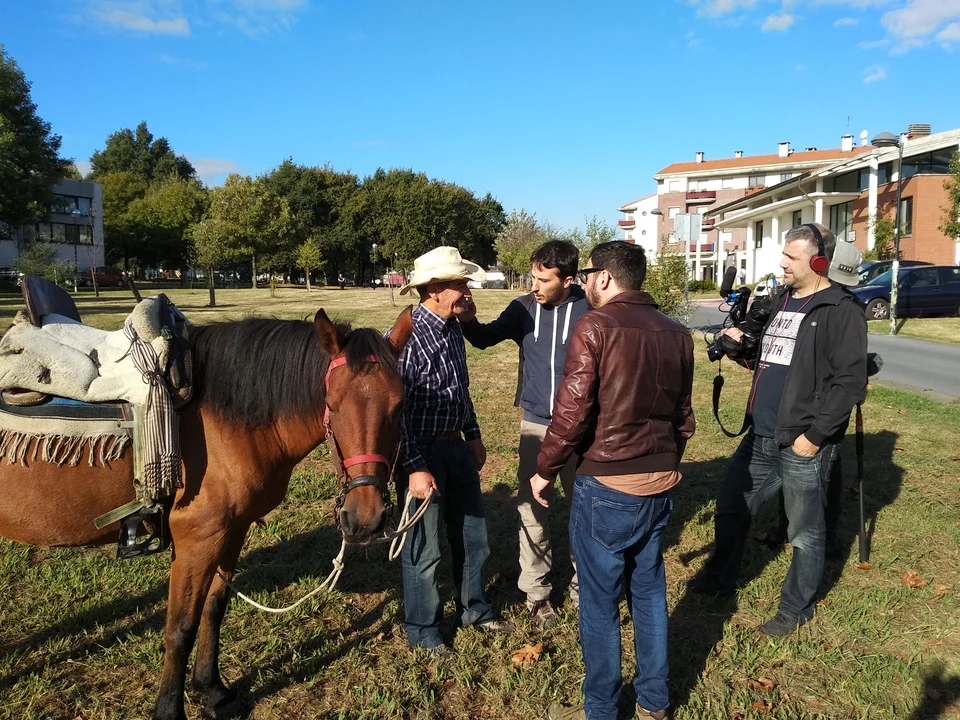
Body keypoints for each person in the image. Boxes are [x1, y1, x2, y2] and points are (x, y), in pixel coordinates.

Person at [532, 241, 695, 720]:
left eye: (587, 275)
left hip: (607, 484)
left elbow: (571, 413)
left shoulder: (595, 325)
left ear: (604, 277)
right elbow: (683, 418)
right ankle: (654, 703)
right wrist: (666, 460)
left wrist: (544, 470)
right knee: (649, 591)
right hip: (660, 480)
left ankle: (601, 710)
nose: (584, 283)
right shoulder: (677, 332)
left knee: (599, 603)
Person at [688, 224, 867, 637]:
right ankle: (719, 578)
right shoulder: (782, 300)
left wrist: (815, 437)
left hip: (803, 439)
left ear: (818, 262)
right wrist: (741, 349)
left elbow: (849, 384)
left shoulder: (841, 310)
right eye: (783, 254)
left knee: (805, 531)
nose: (781, 263)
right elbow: (771, 360)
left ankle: (795, 608)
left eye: (791, 257)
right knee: (731, 505)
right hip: (761, 433)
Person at [458, 239, 589, 628]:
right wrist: (468, 320)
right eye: (533, 277)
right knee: (532, 509)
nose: (535, 286)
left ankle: (586, 589)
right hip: (536, 425)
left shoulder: (591, 310)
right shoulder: (523, 308)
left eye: (543, 280)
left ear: (569, 280)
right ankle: (536, 593)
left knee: (585, 512)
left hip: (582, 429)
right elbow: (484, 339)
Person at [394, 246, 515, 658]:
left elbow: (458, 388)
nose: (467, 290)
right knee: (424, 548)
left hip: (457, 447)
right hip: (422, 453)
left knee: (474, 537)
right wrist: (413, 466)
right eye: (459, 284)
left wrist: (473, 434)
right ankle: (423, 629)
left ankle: (475, 609)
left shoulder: (451, 328)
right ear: (433, 290)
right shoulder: (407, 337)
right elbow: (396, 412)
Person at [765, 240, 865, 558]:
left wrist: (817, 433)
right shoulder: (791, 297)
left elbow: (848, 376)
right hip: (791, 413)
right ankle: (788, 526)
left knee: (824, 474)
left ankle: (826, 535)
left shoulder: (844, 308)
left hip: (820, 416)